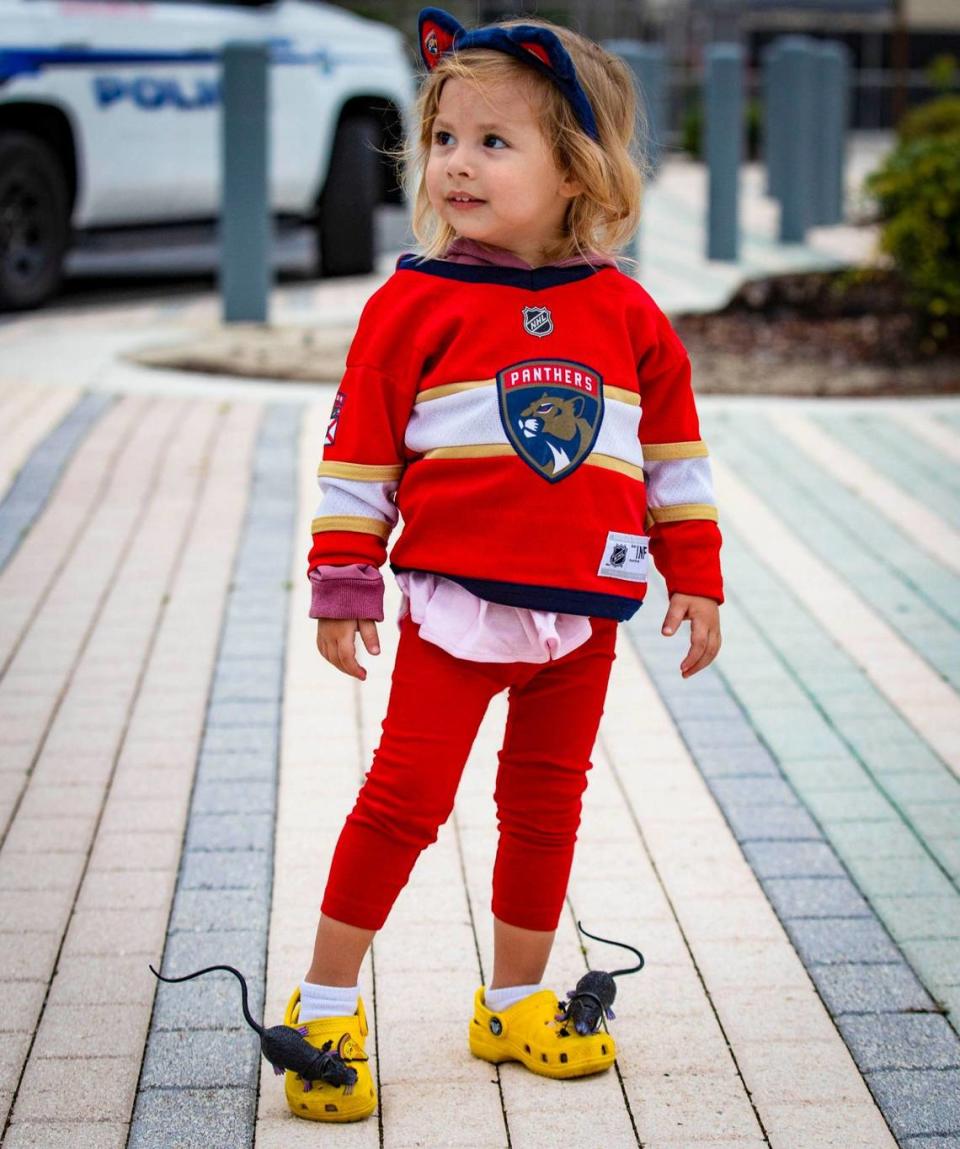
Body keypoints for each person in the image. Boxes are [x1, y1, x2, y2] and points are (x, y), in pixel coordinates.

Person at [283, 5, 723, 1123]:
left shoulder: (629, 315)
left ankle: (516, 998)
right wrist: (343, 584)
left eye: (494, 142)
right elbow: (359, 458)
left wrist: (698, 574)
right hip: (457, 606)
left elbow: (672, 459)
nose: (457, 165)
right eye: (444, 139)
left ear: (576, 170)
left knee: (546, 807)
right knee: (403, 801)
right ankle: (328, 1004)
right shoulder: (414, 304)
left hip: (585, 609)